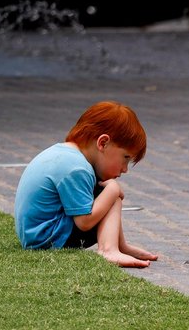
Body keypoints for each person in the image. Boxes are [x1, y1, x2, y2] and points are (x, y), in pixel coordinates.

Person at [14, 101, 157, 268]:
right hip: (47, 239)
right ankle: (108, 250)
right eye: (125, 158)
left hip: (35, 235)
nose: (125, 169)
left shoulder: (65, 154)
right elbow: (84, 222)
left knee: (104, 194)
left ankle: (119, 247)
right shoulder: (77, 168)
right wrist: (112, 190)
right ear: (103, 143)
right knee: (111, 197)